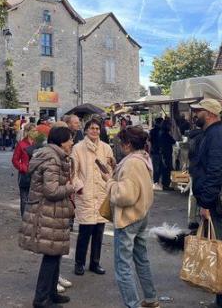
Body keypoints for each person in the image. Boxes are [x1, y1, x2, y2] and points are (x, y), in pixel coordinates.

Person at [19, 126, 79, 308]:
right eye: (70, 139)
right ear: (61, 141)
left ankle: (51, 293)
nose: (72, 143)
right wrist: (72, 187)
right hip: (48, 213)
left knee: (55, 253)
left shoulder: (54, 155)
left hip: (54, 213)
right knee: (51, 255)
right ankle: (41, 299)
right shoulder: (52, 159)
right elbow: (51, 190)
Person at [188, 98, 222, 308]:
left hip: (216, 202)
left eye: (197, 111)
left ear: (209, 113)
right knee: (218, 250)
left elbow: (215, 172)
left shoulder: (216, 135)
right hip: (215, 200)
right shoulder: (212, 133)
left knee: (219, 251)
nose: (194, 114)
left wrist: (206, 203)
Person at [106, 126, 158, 308]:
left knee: (123, 266)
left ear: (127, 144)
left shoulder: (131, 163)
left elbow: (125, 195)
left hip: (128, 217)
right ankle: (151, 299)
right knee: (141, 259)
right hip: (141, 214)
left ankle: (132, 304)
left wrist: (110, 182)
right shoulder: (143, 158)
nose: (119, 146)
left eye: (121, 142)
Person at [71, 118, 116, 276]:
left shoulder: (105, 148)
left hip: (102, 194)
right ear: (86, 130)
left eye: (97, 129)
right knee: (85, 232)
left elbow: (110, 169)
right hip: (86, 194)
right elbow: (73, 172)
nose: (95, 131)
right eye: (92, 128)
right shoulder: (77, 148)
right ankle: (79, 263)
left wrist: (109, 178)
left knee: (99, 232)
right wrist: (79, 187)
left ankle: (95, 263)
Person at [12, 123, 37, 217]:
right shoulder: (21, 144)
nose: (36, 132)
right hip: (24, 175)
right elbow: (14, 160)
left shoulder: (37, 143)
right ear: (28, 132)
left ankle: (33, 219)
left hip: (36, 174)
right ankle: (24, 219)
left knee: (35, 198)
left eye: (36, 131)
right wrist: (23, 168)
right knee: (24, 198)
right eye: (34, 131)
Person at [158, 119, 176, 191]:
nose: (170, 126)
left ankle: (165, 184)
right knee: (167, 169)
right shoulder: (165, 134)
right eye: (169, 125)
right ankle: (166, 185)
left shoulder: (161, 133)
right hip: (166, 153)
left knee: (166, 169)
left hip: (164, 153)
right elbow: (173, 141)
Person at [148, 118, 163, 188]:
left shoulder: (152, 131)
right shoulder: (161, 131)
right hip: (159, 151)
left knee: (156, 166)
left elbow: (150, 142)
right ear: (160, 123)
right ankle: (157, 180)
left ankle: (156, 180)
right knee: (159, 166)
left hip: (154, 151)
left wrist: (150, 150)